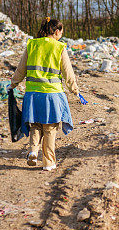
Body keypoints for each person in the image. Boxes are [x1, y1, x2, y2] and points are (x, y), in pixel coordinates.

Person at [9, 18, 85, 171]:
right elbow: (68, 73)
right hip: (52, 95)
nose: (61, 35)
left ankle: (33, 151)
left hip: (32, 95)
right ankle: (48, 163)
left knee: (35, 125)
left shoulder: (32, 45)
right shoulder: (59, 48)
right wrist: (76, 91)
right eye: (61, 32)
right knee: (50, 128)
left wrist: (12, 85)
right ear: (56, 31)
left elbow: (21, 70)